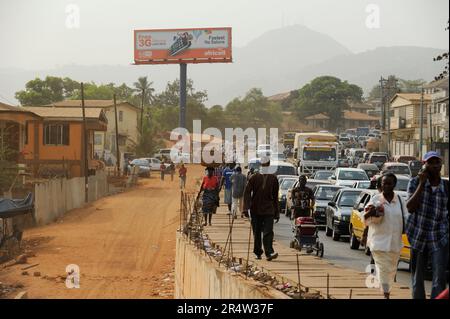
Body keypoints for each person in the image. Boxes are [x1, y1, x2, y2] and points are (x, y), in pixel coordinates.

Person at [406, 151, 449, 299]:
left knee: (440, 275)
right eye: (431, 163)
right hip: (419, 234)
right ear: (424, 165)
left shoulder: (446, 186)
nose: (435, 166)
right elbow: (410, 207)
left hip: (439, 235)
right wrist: (422, 184)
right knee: (417, 277)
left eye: (437, 162)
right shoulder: (415, 182)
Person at [363, 173, 407, 299]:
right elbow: (364, 218)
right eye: (384, 183)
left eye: (389, 183)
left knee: (391, 272)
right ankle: (386, 295)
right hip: (379, 244)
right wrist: (371, 213)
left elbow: (406, 218)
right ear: (381, 185)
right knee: (382, 270)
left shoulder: (399, 200)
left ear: (394, 185)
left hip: (395, 244)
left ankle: (386, 292)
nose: (386, 186)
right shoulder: (375, 199)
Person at [243, 156, 280, 261]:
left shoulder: (273, 179)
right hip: (255, 209)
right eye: (263, 164)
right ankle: (258, 252)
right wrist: (246, 208)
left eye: (266, 164)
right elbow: (247, 193)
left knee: (268, 232)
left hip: (269, 209)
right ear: (261, 165)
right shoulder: (254, 177)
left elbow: (275, 197)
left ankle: (269, 252)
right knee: (257, 232)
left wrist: (277, 212)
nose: (265, 166)